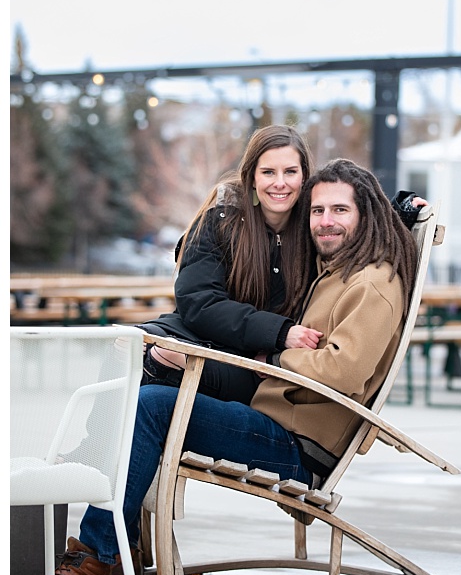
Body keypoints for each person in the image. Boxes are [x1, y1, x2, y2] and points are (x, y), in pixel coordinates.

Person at [11, 159, 419, 575]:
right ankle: (109, 546)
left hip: (297, 443)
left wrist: (275, 357)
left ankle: (92, 565)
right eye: (318, 211)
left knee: (151, 408)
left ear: (366, 214)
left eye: (340, 211)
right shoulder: (334, 270)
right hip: (273, 417)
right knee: (139, 385)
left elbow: (344, 372)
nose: (325, 221)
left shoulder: (373, 283)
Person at [141, 125, 426, 405]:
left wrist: (402, 211)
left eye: (290, 172)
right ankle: (99, 448)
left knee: (156, 370)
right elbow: (199, 303)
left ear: (304, 177)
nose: (280, 183)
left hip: (251, 368)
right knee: (127, 348)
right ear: (252, 177)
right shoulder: (220, 224)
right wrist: (280, 331)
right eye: (268, 172)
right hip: (193, 338)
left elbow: (357, 220)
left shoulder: (313, 231)